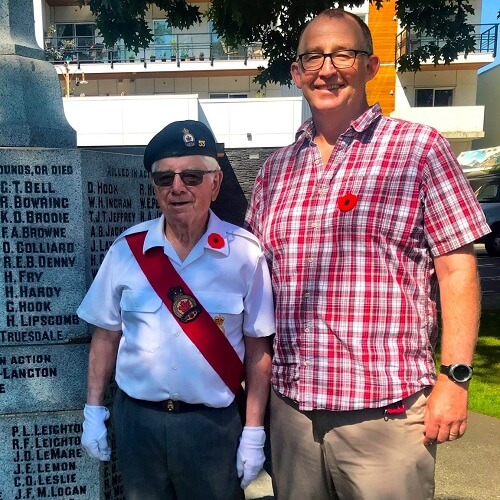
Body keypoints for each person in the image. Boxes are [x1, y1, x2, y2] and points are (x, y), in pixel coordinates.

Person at [244, 9, 491, 500]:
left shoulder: (419, 150)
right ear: (296, 73)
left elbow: (457, 269)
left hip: (387, 417)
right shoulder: (276, 171)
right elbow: (255, 284)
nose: (326, 68)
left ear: (370, 65)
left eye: (342, 54)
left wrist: (456, 379)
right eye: (312, 57)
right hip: (293, 415)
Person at [78, 120, 275, 499]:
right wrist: (93, 411)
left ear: (215, 184)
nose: (178, 187)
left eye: (192, 176)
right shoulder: (126, 251)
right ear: (154, 187)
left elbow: (258, 350)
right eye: (164, 178)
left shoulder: (244, 255)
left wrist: (253, 429)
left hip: (213, 427)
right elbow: (105, 337)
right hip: (139, 424)